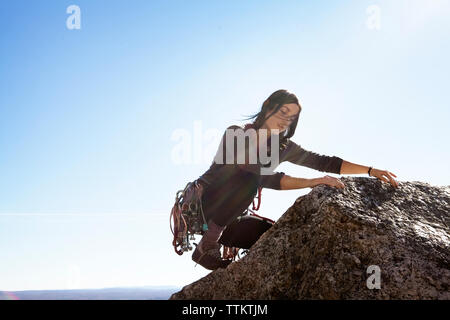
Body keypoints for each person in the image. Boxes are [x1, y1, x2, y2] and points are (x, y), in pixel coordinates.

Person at [192, 89, 399, 270]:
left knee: (273, 237)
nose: (285, 120)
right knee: (249, 179)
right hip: (205, 205)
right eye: (283, 112)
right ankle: (207, 246)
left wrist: (370, 170)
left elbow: (324, 162)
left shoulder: (283, 147)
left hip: (231, 217)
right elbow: (259, 176)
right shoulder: (235, 133)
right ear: (267, 106)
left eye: (291, 117)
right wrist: (311, 182)